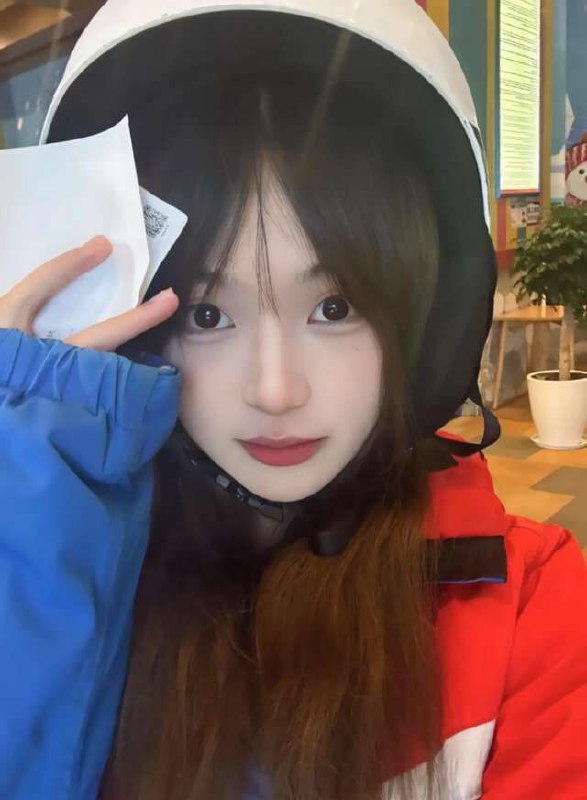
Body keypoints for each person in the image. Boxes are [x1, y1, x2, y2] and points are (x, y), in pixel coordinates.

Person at [0, 2, 586, 799]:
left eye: (333, 308)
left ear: (425, 320)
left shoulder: (524, 604)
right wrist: (31, 496)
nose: (275, 389)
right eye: (207, 316)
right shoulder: (78, 567)